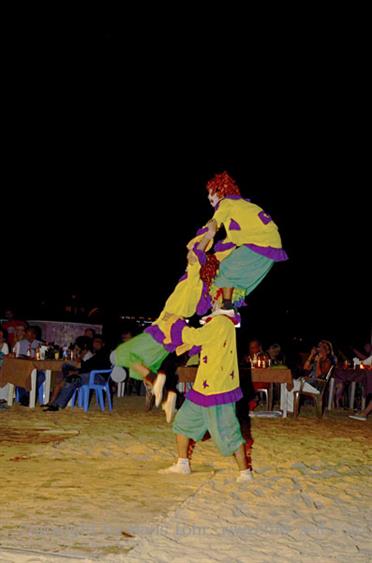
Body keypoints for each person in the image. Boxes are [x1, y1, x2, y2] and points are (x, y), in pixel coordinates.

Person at [160, 313, 252, 483]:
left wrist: (177, 324)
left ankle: (245, 472)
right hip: (203, 387)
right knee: (183, 422)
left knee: (229, 433)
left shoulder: (222, 322)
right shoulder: (217, 323)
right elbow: (202, 342)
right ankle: (182, 463)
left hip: (218, 389)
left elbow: (196, 336)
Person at [189, 171, 287, 317]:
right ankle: (229, 308)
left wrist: (198, 250)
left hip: (261, 244)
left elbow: (212, 227)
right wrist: (214, 255)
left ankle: (227, 306)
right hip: (270, 247)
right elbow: (233, 240)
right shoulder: (241, 206)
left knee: (227, 268)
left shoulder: (226, 203)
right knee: (235, 276)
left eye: (211, 195)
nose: (208, 198)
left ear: (221, 192)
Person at [281, 340, 335, 413]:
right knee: (285, 381)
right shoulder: (316, 359)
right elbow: (305, 367)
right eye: (319, 347)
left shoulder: (327, 361)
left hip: (316, 387)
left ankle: (290, 409)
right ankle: (284, 407)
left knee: (291, 382)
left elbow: (318, 375)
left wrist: (318, 361)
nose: (319, 349)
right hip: (308, 383)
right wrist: (311, 355)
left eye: (322, 347)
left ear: (327, 351)